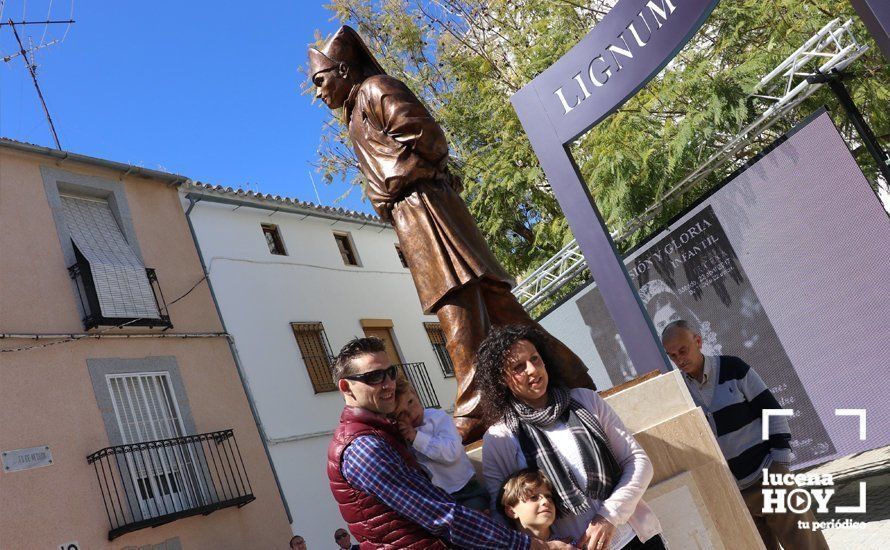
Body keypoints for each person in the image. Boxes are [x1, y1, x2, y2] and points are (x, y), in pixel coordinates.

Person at [308, 25, 595, 443]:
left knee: (455, 309)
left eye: (321, 80)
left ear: (344, 70)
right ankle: (574, 376)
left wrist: (391, 184)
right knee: (501, 310)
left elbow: (431, 140)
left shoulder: (375, 89)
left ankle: (474, 409)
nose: (319, 93)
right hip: (413, 217)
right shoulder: (354, 115)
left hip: (429, 211)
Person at [326, 336, 574, 549]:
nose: (388, 383)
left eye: (390, 373)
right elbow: (439, 513)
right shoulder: (365, 448)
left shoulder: (385, 434)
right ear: (346, 387)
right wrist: (527, 544)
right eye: (375, 377)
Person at [479, 325, 665, 550]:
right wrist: (545, 547)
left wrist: (609, 516)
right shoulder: (500, 439)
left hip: (633, 536)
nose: (532, 369)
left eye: (535, 359)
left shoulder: (586, 401)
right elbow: (502, 515)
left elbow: (637, 461)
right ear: (502, 380)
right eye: (518, 367)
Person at [661, 320, 829, 550]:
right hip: (734, 495)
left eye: (683, 350)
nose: (679, 359)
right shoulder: (680, 392)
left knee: (808, 546)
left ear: (698, 342)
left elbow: (771, 411)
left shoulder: (734, 368)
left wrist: (779, 464)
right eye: (672, 355)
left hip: (770, 477)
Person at [391, 375, 489, 511]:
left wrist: (416, 438)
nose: (411, 414)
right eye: (401, 414)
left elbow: (452, 453)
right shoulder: (403, 434)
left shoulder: (437, 418)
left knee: (478, 516)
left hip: (466, 489)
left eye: (410, 402)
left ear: (415, 394)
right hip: (440, 499)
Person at [499, 469, 563, 543]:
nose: (545, 501)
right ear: (512, 511)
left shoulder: (570, 546)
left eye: (548, 496)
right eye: (533, 497)